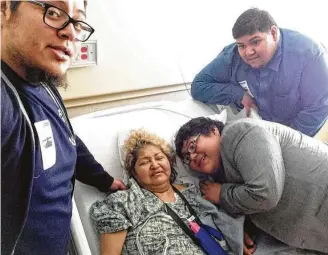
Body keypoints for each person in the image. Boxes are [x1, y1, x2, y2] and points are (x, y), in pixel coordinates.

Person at [1, 1, 126, 254]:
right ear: (4, 9)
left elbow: (66, 137)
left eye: (78, 22)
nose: (71, 32)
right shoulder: (7, 103)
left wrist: (105, 180)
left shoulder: (41, 80)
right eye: (54, 12)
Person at [174, 116, 328, 254]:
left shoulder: (238, 133)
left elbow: (265, 194)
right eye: (187, 158)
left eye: (192, 146)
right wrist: (242, 230)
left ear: (213, 130)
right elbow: (248, 200)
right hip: (318, 223)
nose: (193, 156)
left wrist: (221, 194)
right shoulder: (220, 172)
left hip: (327, 195)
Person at [90, 129, 247, 255]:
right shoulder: (123, 203)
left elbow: (225, 221)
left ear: (169, 162)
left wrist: (237, 235)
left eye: (159, 158)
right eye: (144, 162)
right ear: (135, 173)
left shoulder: (196, 193)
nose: (154, 165)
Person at [191, 8, 328, 137]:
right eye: (241, 45)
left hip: (299, 134)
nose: (248, 52)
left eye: (255, 42)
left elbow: (318, 108)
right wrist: (238, 94)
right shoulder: (231, 56)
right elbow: (198, 86)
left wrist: (285, 142)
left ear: (273, 33)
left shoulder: (309, 54)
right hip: (259, 131)